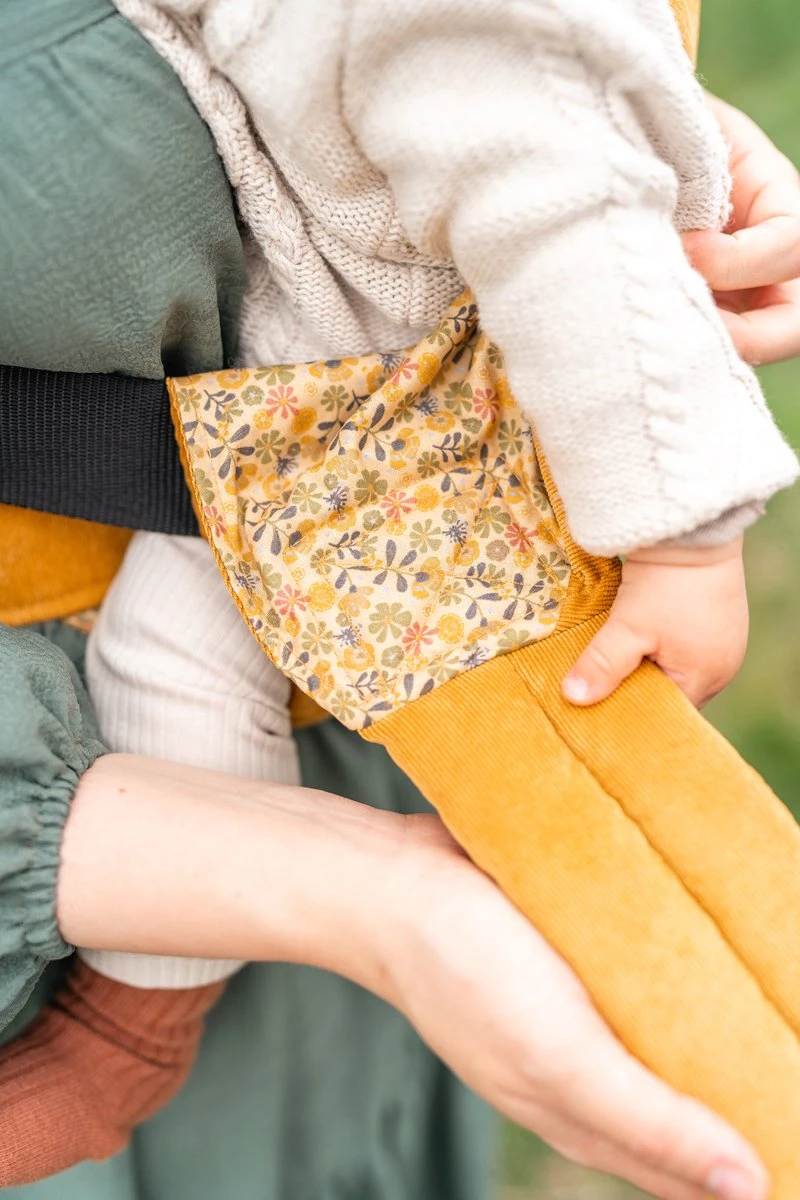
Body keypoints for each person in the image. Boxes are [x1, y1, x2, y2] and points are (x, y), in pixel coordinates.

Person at [2, 1, 800, 1198]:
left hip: (352, 400)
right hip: (287, 367)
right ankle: (132, 1030)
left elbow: (551, 176)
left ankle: (133, 1028)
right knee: (173, 670)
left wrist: (681, 541)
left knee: (177, 669)